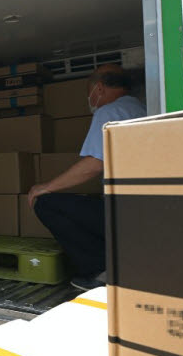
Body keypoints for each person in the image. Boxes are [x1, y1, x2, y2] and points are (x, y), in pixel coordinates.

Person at [28, 64, 146, 291]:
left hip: (125, 216)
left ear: (99, 88)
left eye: (89, 91)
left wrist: (45, 187)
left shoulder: (110, 112)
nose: (89, 98)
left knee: (46, 204)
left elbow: (94, 164)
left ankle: (101, 270)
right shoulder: (141, 107)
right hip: (143, 213)